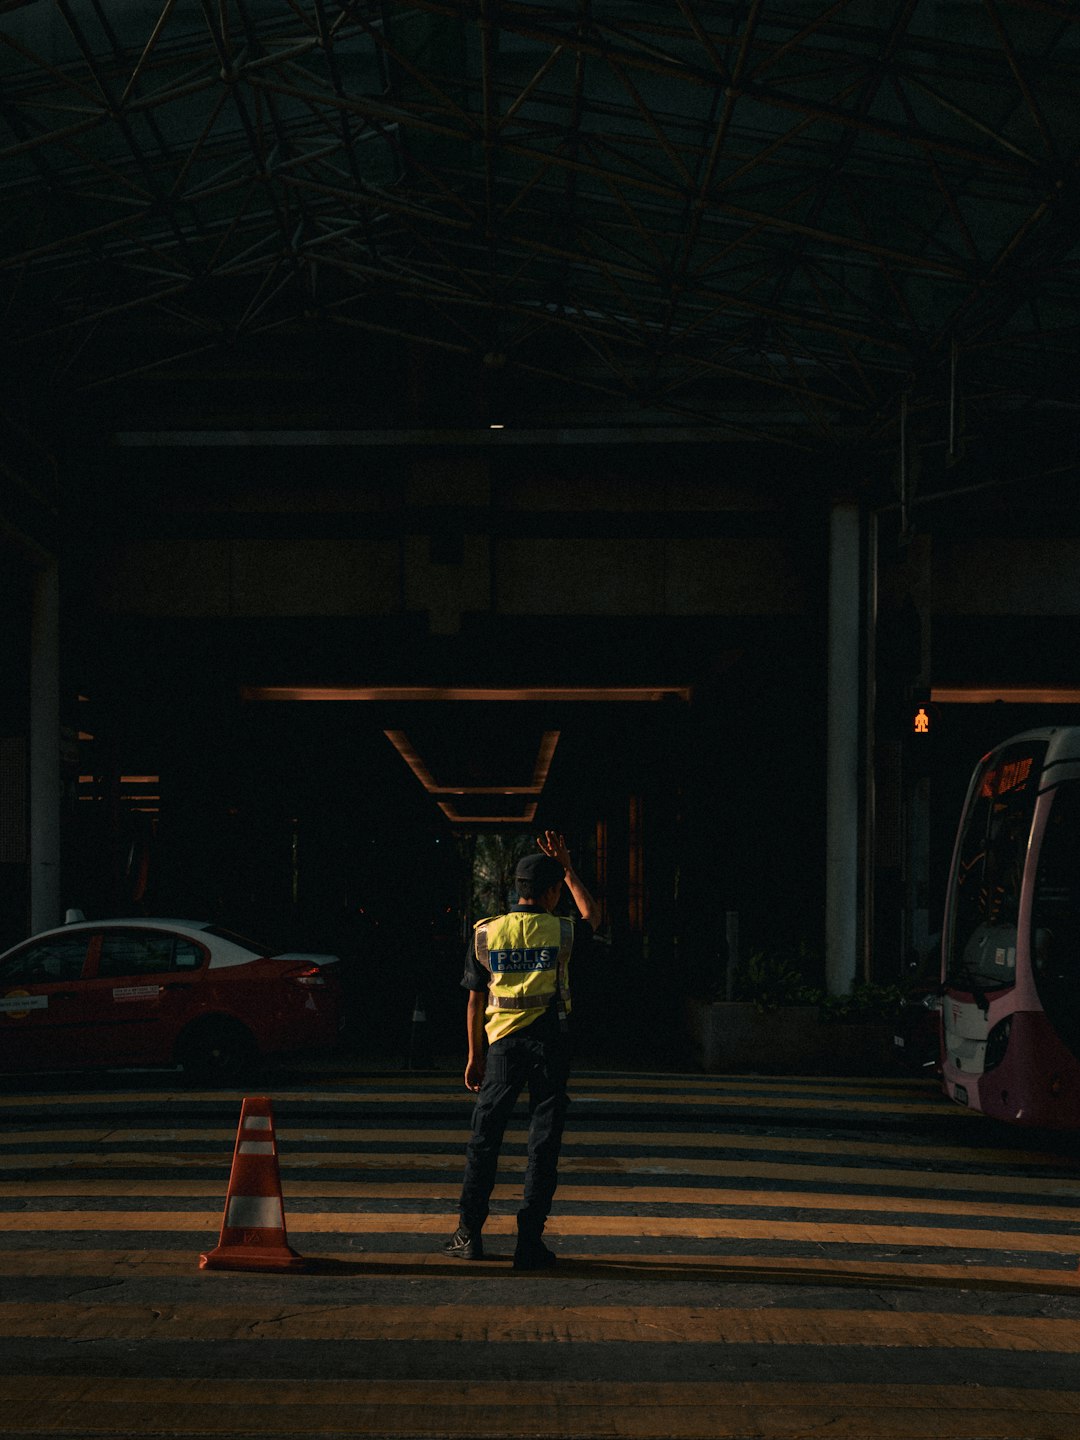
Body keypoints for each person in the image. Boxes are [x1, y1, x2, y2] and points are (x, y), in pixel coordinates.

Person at [443, 829, 600, 1270]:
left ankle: (468, 1234)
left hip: (501, 1051)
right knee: (543, 1146)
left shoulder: (486, 933)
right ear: (552, 891)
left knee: (484, 1141)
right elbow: (593, 915)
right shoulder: (563, 931)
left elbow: (475, 999)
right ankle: (529, 1242)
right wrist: (569, 868)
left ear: (517, 889)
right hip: (551, 1045)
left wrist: (473, 1055)